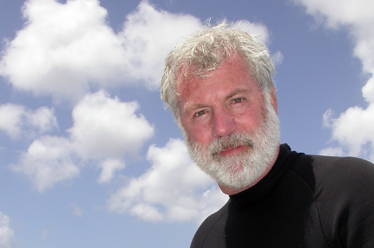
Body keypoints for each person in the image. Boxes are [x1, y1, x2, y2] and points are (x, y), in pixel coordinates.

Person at [160, 22, 374, 248]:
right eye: (201, 112)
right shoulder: (204, 240)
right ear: (182, 126)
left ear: (271, 100)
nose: (222, 128)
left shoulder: (352, 191)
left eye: (237, 100)